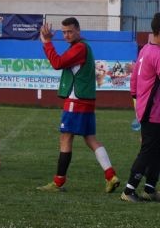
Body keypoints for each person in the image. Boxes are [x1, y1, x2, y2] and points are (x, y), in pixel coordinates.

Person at [38, 17, 120, 193]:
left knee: (66, 138)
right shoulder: (82, 47)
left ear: (78, 31)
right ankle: (111, 175)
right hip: (86, 100)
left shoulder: (80, 48)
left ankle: (58, 182)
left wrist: (47, 43)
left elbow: (57, 63)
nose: (67, 35)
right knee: (90, 139)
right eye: (64, 32)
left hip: (76, 101)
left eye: (70, 31)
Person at [121, 12, 160, 202]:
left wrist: (138, 104)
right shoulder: (158, 54)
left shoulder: (145, 49)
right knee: (147, 151)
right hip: (154, 113)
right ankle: (129, 191)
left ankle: (150, 189)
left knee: (155, 150)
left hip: (147, 110)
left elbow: (134, 80)